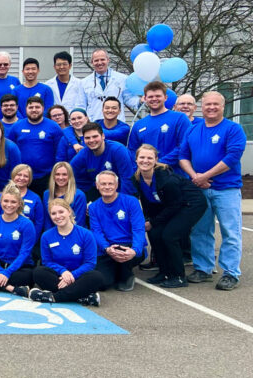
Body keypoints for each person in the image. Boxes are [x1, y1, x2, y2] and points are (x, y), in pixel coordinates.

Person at [179, 91, 246, 290]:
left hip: (226, 189)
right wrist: (195, 177)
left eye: (215, 104)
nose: (211, 108)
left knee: (230, 232)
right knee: (200, 230)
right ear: (202, 106)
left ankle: (230, 273)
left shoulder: (233, 129)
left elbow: (232, 157)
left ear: (223, 106)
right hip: (199, 188)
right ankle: (203, 268)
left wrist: (205, 176)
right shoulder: (193, 130)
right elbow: (183, 156)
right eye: (208, 104)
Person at [133, 145, 207, 288]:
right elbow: (148, 202)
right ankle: (164, 272)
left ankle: (179, 276)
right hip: (172, 206)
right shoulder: (137, 179)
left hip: (191, 204)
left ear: (156, 160)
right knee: (154, 234)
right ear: (136, 159)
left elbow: (175, 206)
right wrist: (149, 220)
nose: (145, 161)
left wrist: (153, 221)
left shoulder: (167, 180)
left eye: (149, 158)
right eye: (142, 157)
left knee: (169, 235)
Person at [28, 198, 103, 306]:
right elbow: (47, 262)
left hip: (79, 276)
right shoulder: (46, 236)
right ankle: (82, 297)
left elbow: (90, 263)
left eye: (61, 212)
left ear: (69, 211)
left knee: (96, 277)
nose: (58, 216)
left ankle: (53, 297)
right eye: (53, 213)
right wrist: (63, 271)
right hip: (58, 276)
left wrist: (72, 275)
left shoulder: (86, 234)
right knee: (38, 272)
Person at [88, 171, 146, 292]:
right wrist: (107, 249)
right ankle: (117, 270)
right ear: (97, 185)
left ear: (116, 185)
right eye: (103, 184)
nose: (107, 187)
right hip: (108, 249)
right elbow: (96, 232)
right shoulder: (93, 207)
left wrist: (135, 250)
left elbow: (138, 228)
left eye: (110, 183)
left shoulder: (131, 202)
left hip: (128, 247)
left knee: (123, 255)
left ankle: (127, 275)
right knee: (101, 283)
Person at [128, 81, 192, 172]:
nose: (154, 99)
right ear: (145, 99)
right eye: (150, 96)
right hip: (147, 178)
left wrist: (159, 163)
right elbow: (132, 151)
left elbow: (185, 146)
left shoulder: (180, 118)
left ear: (165, 97)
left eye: (158, 96)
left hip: (174, 177)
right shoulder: (138, 125)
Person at [7, 96, 64, 194]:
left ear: (43, 108)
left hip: (47, 176)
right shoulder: (16, 126)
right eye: (31, 107)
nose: (34, 110)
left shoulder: (54, 127)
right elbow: (9, 151)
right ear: (26, 109)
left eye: (37, 107)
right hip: (22, 177)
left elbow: (60, 152)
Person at [70, 123, 136, 200]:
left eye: (95, 136)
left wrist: (122, 203)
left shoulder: (118, 150)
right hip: (100, 191)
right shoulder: (84, 154)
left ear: (103, 136)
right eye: (87, 138)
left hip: (122, 190)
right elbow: (68, 172)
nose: (91, 140)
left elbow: (127, 179)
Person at [79, 49, 139, 120]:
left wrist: (140, 101)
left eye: (102, 59)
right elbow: (81, 105)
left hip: (116, 123)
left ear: (108, 60)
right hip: (94, 124)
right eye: (96, 60)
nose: (100, 63)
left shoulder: (122, 79)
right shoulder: (84, 83)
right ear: (92, 62)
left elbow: (129, 98)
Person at [43, 162, 87, 230]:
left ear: (70, 176)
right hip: (53, 234)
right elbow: (47, 222)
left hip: (75, 234)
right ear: (53, 176)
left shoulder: (79, 195)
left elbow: (79, 222)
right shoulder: (47, 194)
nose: (61, 177)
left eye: (64, 174)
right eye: (57, 174)